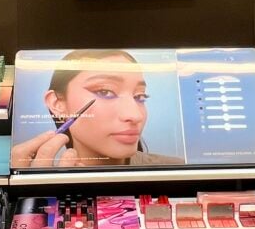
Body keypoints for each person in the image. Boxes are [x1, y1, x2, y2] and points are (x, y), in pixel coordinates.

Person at [11, 49, 183, 168]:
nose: (135, 115)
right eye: (105, 92)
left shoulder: (179, 171)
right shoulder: (37, 175)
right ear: (57, 104)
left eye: (140, 96)